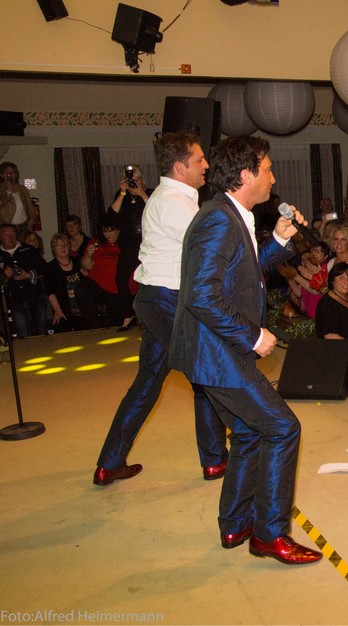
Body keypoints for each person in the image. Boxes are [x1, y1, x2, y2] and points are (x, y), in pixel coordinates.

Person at [168, 135, 321, 564]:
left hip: (216, 351)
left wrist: (281, 239)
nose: (273, 177)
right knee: (283, 428)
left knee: (252, 433)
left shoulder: (232, 213)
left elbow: (246, 272)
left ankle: (236, 523)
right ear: (245, 175)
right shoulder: (219, 219)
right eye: (267, 169)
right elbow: (201, 294)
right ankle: (269, 535)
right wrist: (252, 335)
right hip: (218, 353)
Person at [95, 132, 227, 486]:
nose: (206, 165)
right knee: (207, 377)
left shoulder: (164, 197)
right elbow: (208, 254)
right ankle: (215, 460)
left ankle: (110, 463)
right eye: (199, 160)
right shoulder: (176, 203)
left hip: (155, 299)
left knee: (147, 383)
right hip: (170, 301)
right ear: (180, 167)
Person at [109, 164, 150, 332]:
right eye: (132, 180)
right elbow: (111, 215)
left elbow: (156, 210)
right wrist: (123, 192)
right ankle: (128, 313)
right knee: (121, 279)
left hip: (146, 241)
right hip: (128, 242)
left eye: (137, 179)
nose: (135, 183)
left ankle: (147, 316)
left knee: (147, 281)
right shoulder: (122, 196)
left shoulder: (150, 193)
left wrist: (142, 194)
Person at [81, 215, 136, 327]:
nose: (108, 235)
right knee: (82, 289)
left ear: (119, 230)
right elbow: (86, 266)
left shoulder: (127, 243)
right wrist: (88, 255)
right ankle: (95, 326)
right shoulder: (97, 242)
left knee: (118, 322)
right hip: (101, 283)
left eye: (111, 231)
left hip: (120, 288)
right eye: (105, 231)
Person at [44, 232, 99, 332]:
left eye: (66, 244)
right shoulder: (50, 268)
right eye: (60, 245)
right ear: (54, 249)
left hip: (84, 312)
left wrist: (87, 275)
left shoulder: (78, 262)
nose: (63, 247)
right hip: (64, 313)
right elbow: (50, 291)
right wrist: (57, 309)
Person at [0, 221, 47, 337]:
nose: (11, 237)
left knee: (42, 330)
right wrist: (4, 275)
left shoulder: (28, 249)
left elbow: (44, 268)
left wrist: (29, 275)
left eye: (13, 234)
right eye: (7, 235)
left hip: (35, 295)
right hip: (15, 299)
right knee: (23, 334)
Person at [0, 161, 40, 234]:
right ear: (2, 175)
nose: (9, 175)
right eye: (6, 173)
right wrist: (8, 193)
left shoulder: (22, 189)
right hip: (6, 228)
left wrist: (31, 220)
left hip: (23, 227)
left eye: (12, 172)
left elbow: (29, 206)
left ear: (15, 175)